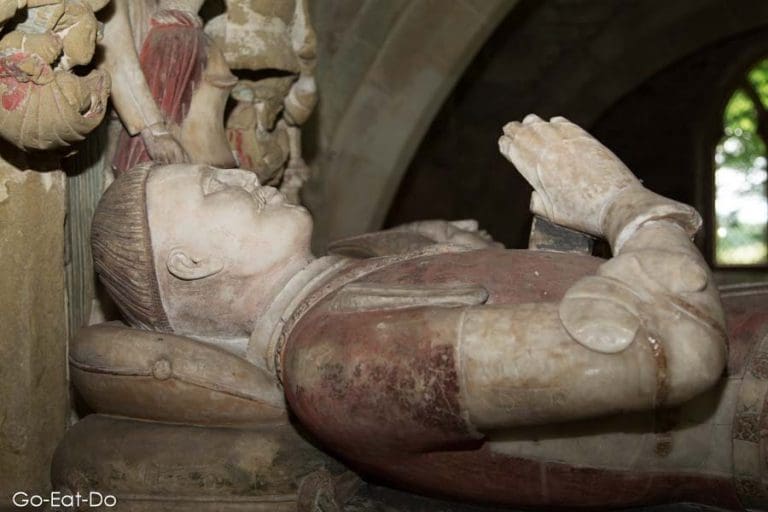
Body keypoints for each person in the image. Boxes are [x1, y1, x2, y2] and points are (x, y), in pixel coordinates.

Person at [88, 116, 733, 509]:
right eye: (212, 189)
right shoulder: (335, 363)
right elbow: (674, 351)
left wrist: (562, 232)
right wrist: (625, 204)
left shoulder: (340, 293)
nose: (241, 176)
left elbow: (566, 331)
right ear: (190, 265)